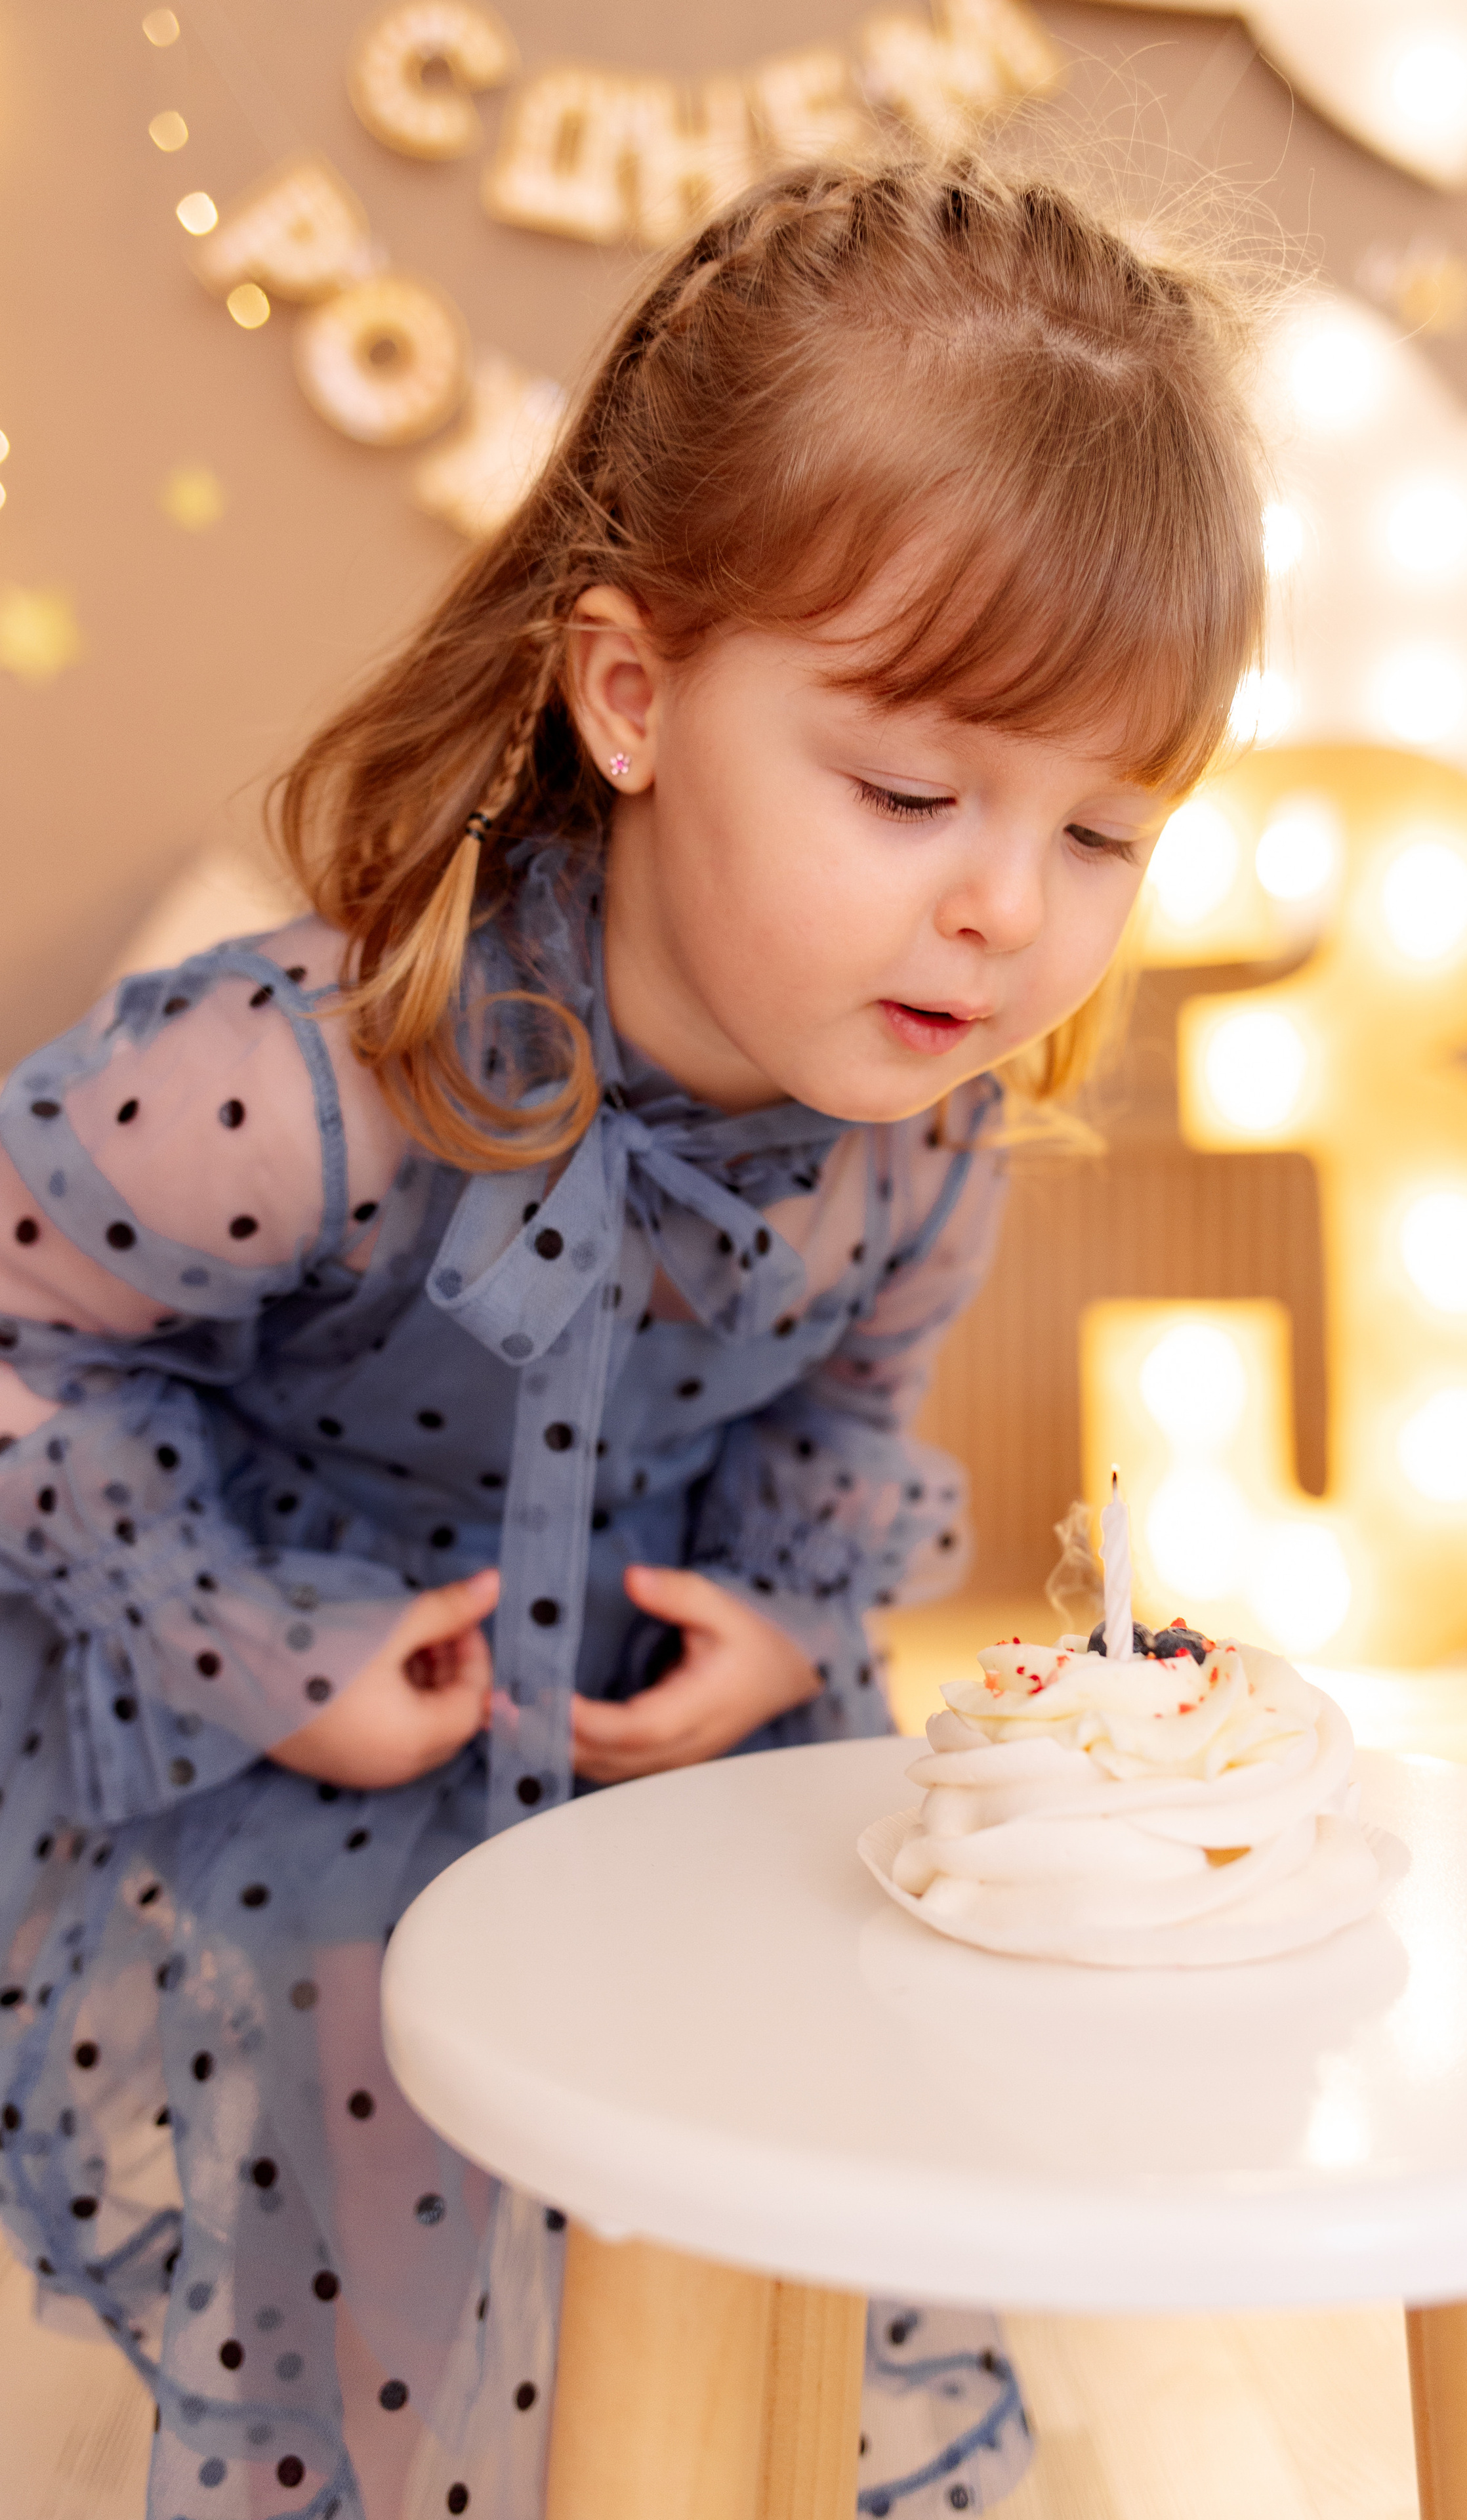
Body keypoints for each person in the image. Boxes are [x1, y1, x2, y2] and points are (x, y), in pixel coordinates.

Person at [0, 154, 1264, 2518]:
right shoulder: (320, 1081)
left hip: (664, 1723)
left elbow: (842, 1410)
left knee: (813, 2184)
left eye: (1108, 835)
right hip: (332, 1729)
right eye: (909, 789)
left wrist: (782, 1620)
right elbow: (23, 1331)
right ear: (632, 688)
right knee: (381, 2267)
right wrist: (263, 1643)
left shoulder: (920, 1124)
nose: (1005, 911)